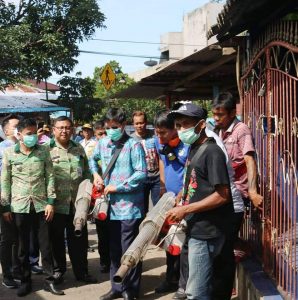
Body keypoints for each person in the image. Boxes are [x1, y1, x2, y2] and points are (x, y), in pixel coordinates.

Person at [166, 103, 233, 300]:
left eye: (185, 124)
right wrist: (182, 196)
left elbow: (222, 194)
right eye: (178, 125)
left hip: (206, 232)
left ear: (201, 124)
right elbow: (198, 182)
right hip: (195, 227)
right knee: (196, 288)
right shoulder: (194, 148)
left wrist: (187, 208)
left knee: (197, 292)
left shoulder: (212, 152)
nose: (181, 130)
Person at [0, 118, 64, 297]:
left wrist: (51, 202)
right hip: (19, 206)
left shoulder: (43, 151)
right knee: (22, 247)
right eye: (28, 134)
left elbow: (50, 176)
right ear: (19, 134)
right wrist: (5, 206)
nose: (32, 137)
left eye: (34, 133)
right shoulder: (9, 153)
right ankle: (25, 281)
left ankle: (50, 280)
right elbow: (5, 180)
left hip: (41, 205)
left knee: (46, 245)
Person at [89, 108, 147, 300]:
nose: (111, 130)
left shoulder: (134, 145)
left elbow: (141, 174)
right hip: (109, 208)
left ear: (123, 125)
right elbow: (92, 160)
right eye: (108, 127)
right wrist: (96, 174)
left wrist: (118, 187)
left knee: (130, 251)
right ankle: (116, 287)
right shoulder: (102, 143)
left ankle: (131, 289)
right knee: (114, 250)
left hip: (130, 207)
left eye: (115, 127)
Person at [211, 92, 263, 299]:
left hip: (237, 194)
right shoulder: (219, 131)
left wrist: (252, 190)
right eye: (214, 114)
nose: (216, 118)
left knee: (224, 246)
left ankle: (226, 287)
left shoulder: (241, 130)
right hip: (223, 193)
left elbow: (249, 160)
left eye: (220, 114)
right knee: (222, 243)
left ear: (233, 112)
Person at [49, 116, 97, 285]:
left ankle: (82, 272)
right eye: (60, 127)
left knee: (79, 239)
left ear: (73, 129)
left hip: (77, 204)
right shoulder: (45, 149)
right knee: (55, 239)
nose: (64, 131)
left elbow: (86, 174)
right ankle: (58, 271)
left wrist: (88, 199)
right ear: (53, 129)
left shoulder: (79, 149)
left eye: (68, 127)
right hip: (55, 204)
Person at [154, 111, 189, 295]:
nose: (159, 137)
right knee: (169, 243)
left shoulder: (187, 145)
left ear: (174, 129)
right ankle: (170, 279)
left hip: (185, 202)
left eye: (163, 133)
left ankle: (183, 285)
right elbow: (162, 162)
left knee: (184, 244)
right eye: (157, 132)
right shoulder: (160, 143)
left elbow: (192, 172)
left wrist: (182, 195)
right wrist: (162, 187)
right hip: (168, 199)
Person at [0, 114, 21, 289]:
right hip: (6, 200)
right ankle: (7, 274)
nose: (19, 128)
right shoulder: (2, 149)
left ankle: (17, 271)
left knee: (19, 238)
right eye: (15, 126)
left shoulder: (23, 148)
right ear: (6, 130)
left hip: (22, 200)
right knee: (8, 239)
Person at [131, 111, 160, 212]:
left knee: (158, 207)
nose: (139, 126)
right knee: (141, 209)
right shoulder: (130, 140)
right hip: (141, 179)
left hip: (157, 177)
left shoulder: (155, 135)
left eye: (141, 122)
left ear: (146, 122)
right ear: (133, 124)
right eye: (137, 123)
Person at [93, 119, 110, 273]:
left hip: (117, 197)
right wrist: (96, 175)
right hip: (100, 196)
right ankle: (104, 261)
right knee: (102, 230)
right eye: (100, 134)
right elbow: (89, 166)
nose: (104, 136)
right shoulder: (93, 149)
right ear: (95, 135)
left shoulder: (116, 146)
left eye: (105, 132)